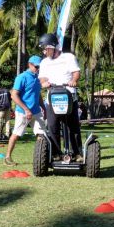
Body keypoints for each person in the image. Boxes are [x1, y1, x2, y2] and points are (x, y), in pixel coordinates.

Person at [38, 33, 83, 162]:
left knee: (73, 127)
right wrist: (44, 83)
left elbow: (76, 73)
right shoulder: (44, 62)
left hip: (68, 95)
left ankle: (77, 154)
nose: (44, 52)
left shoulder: (68, 57)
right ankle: (56, 153)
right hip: (52, 97)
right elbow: (42, 78)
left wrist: (74, 80)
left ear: (53, 46)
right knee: (52, 127)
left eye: (45, 49)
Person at [4, 56, 46, 166]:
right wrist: (26, 109)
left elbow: (38, 95)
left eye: (40, 67)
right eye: (36, 66)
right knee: (17, 134)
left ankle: (40, 158)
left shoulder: (37, 78)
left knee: (41, 134)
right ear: (30, 64)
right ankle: (7, 157)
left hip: (36, 112)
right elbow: (14, 95)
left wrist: (44, 108)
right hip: (23, 112)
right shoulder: (22, 77)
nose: (38, 69)